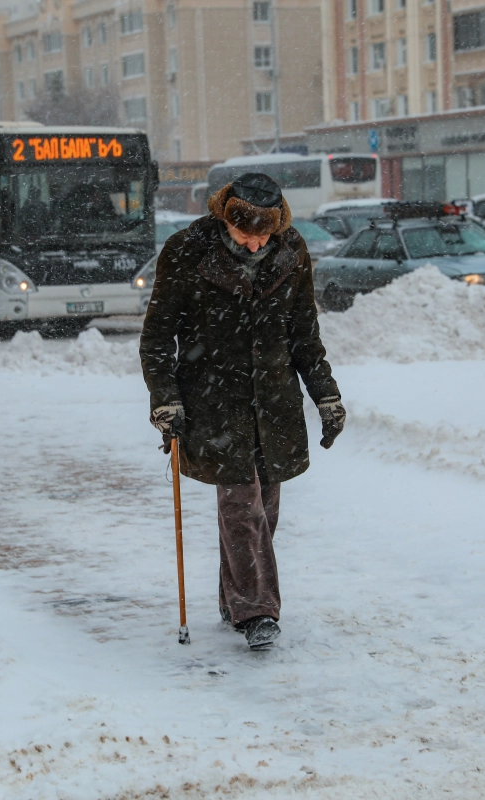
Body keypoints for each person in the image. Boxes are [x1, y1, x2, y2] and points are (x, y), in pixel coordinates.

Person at [140, 173, 346, 651]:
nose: (255, 246)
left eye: (263, 237)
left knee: (264, 508)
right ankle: (257, 611)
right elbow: (156, 337)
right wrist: (165, 397)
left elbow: (304, 335)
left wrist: (326, 395)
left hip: (273, 401)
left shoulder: (291, 250)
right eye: (245, 236)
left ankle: (235, 598)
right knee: (242, 506)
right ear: (226, 220)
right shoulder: (187, 251)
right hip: (213, 400)